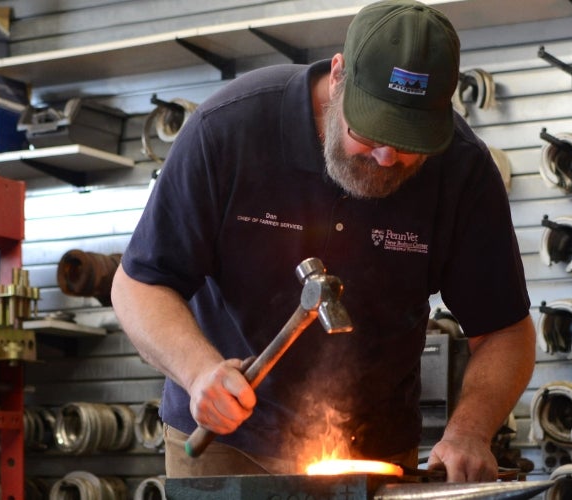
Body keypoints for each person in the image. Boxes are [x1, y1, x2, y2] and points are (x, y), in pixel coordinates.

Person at [110, 0, 535, 482]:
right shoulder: (229, 129)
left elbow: (504, 331)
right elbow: (138, 285)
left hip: (373, 451)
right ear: (337, 77)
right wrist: (198, 372)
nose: (386, 157)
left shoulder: (462, 168)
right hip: (226, 443)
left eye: (409, 144)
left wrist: (470, 432)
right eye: (369, 131)